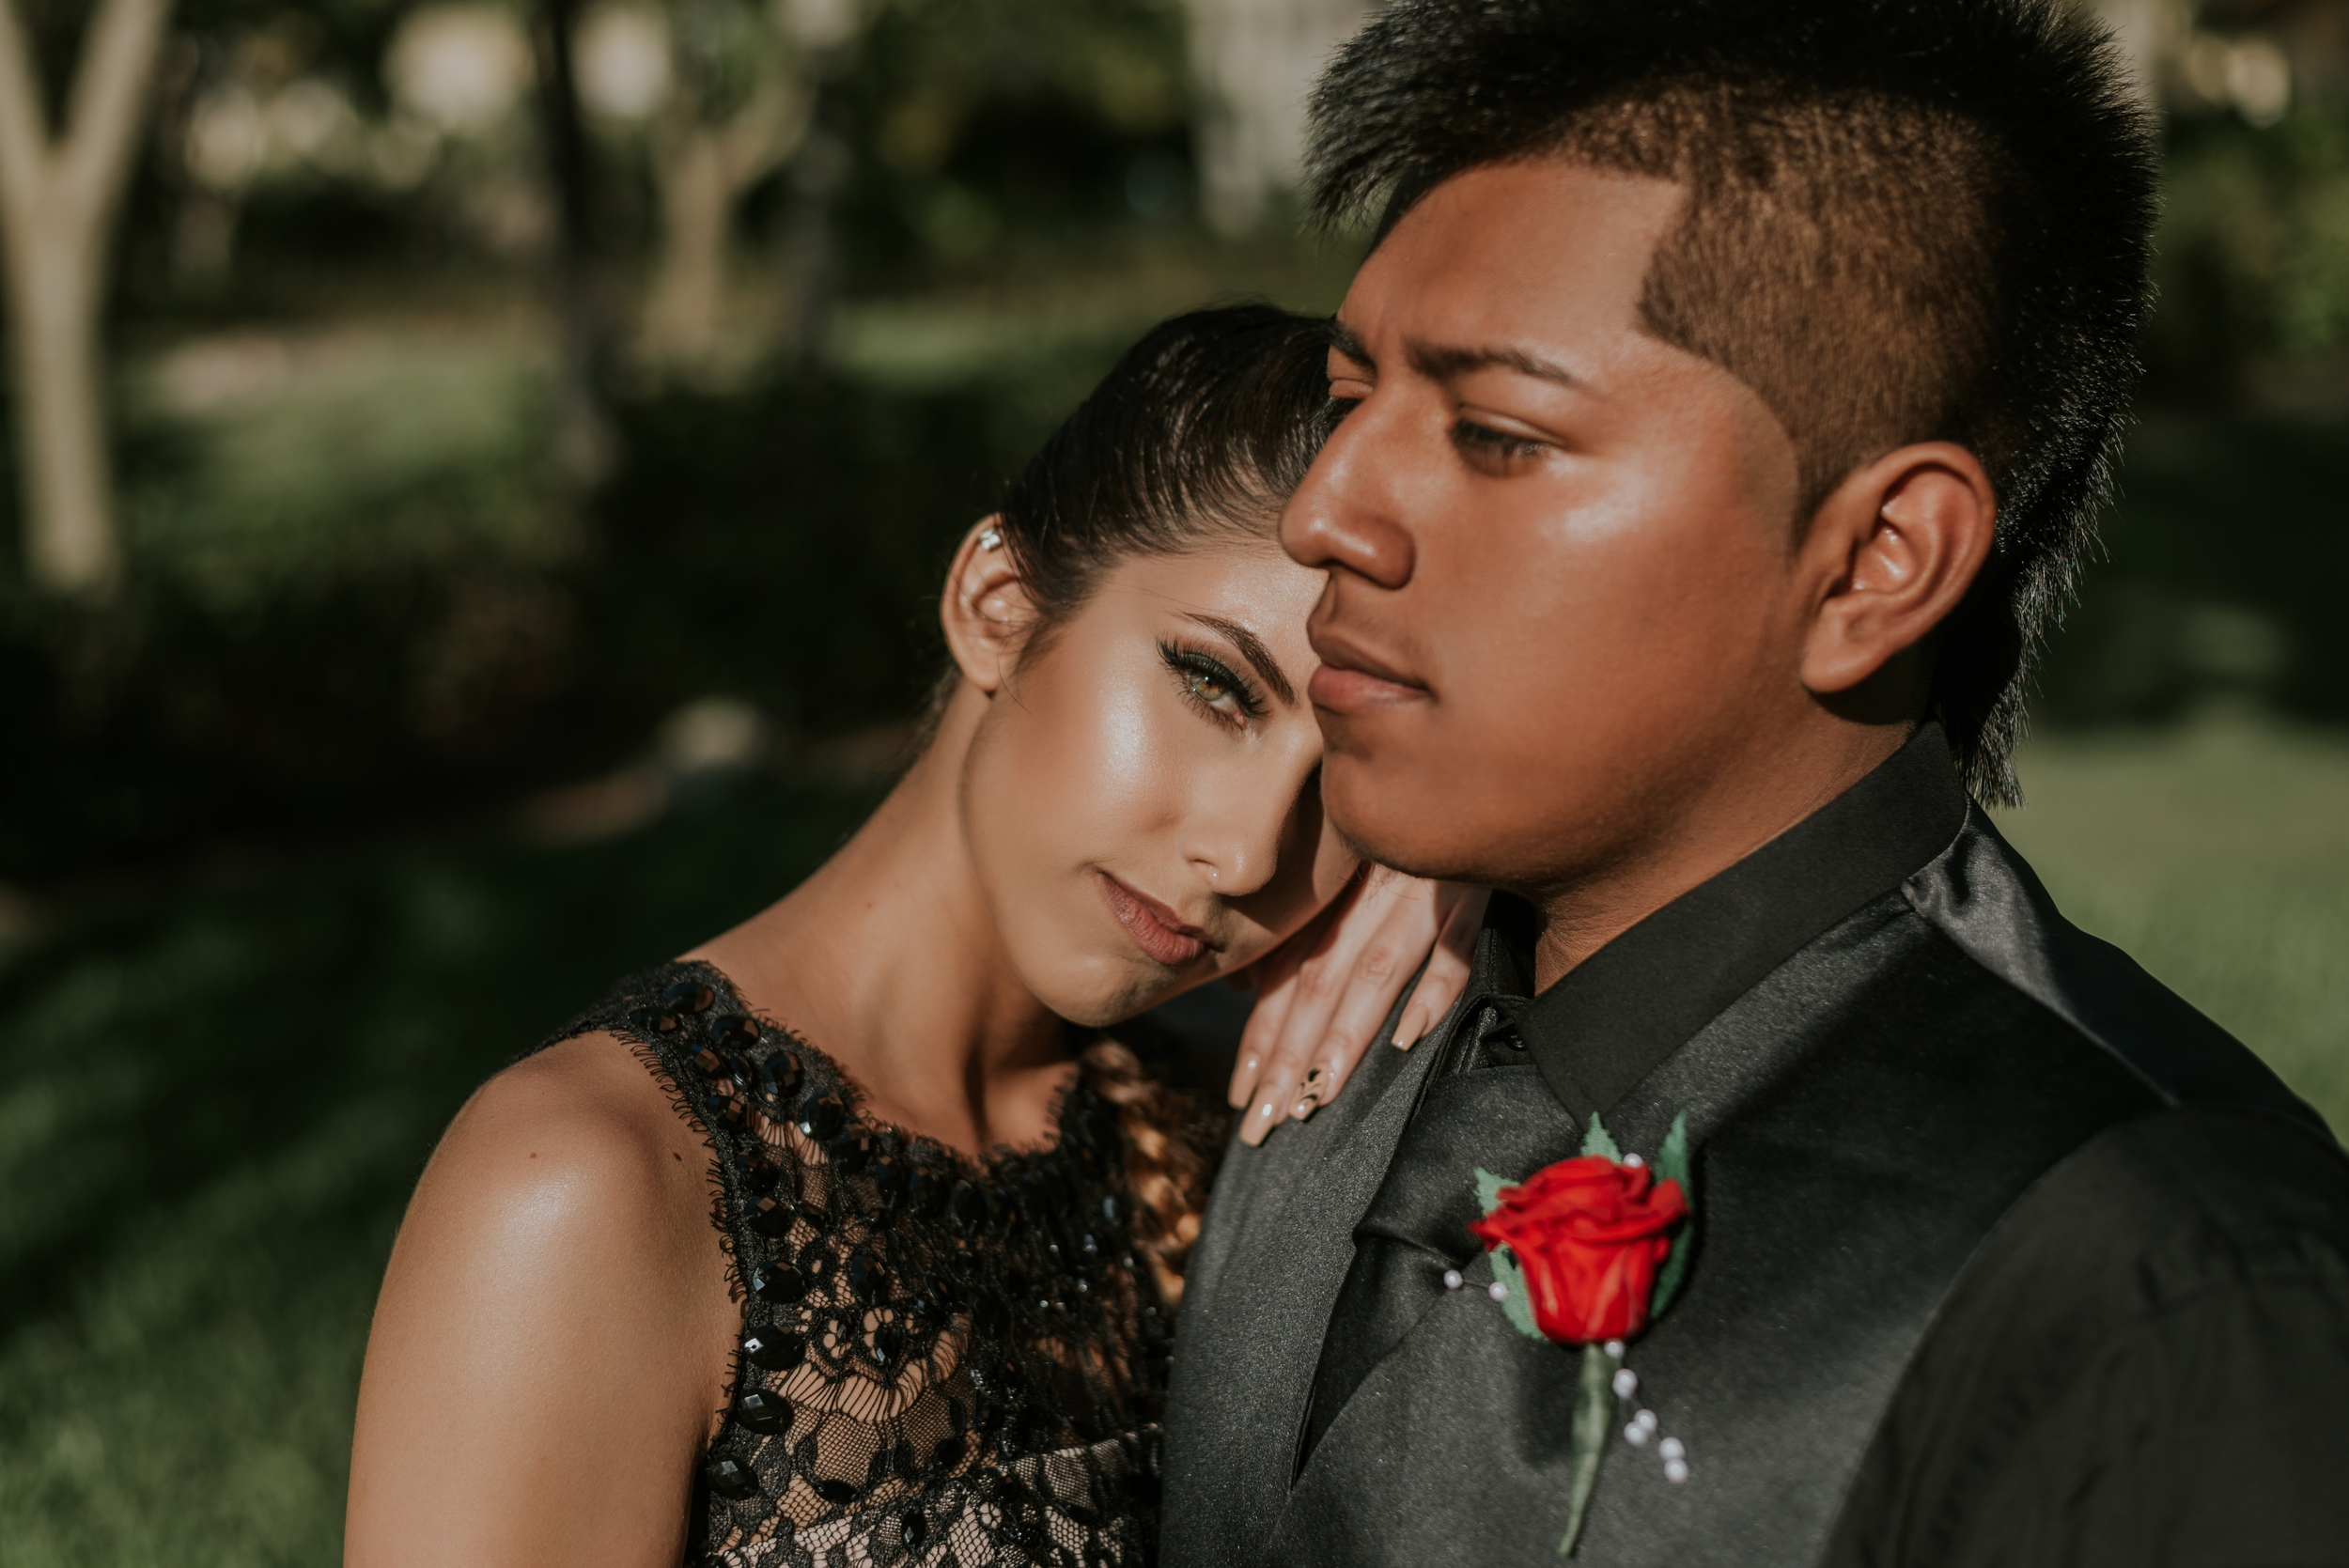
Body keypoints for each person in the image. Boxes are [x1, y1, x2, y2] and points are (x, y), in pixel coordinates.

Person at [1162, 4, 2349, 1566]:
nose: (1327, 511)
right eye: (1349, 396)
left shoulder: (2155, 1280)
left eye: (1500, 434)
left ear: (1876, 559)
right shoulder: (1303, 982)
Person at [345, 306, 1480, 1567]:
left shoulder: (1263, 1094)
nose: (1252, 852)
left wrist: (1466, 880)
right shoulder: (587, 1185)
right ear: (996, 603)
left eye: (1347, 775)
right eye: (1215, 686)